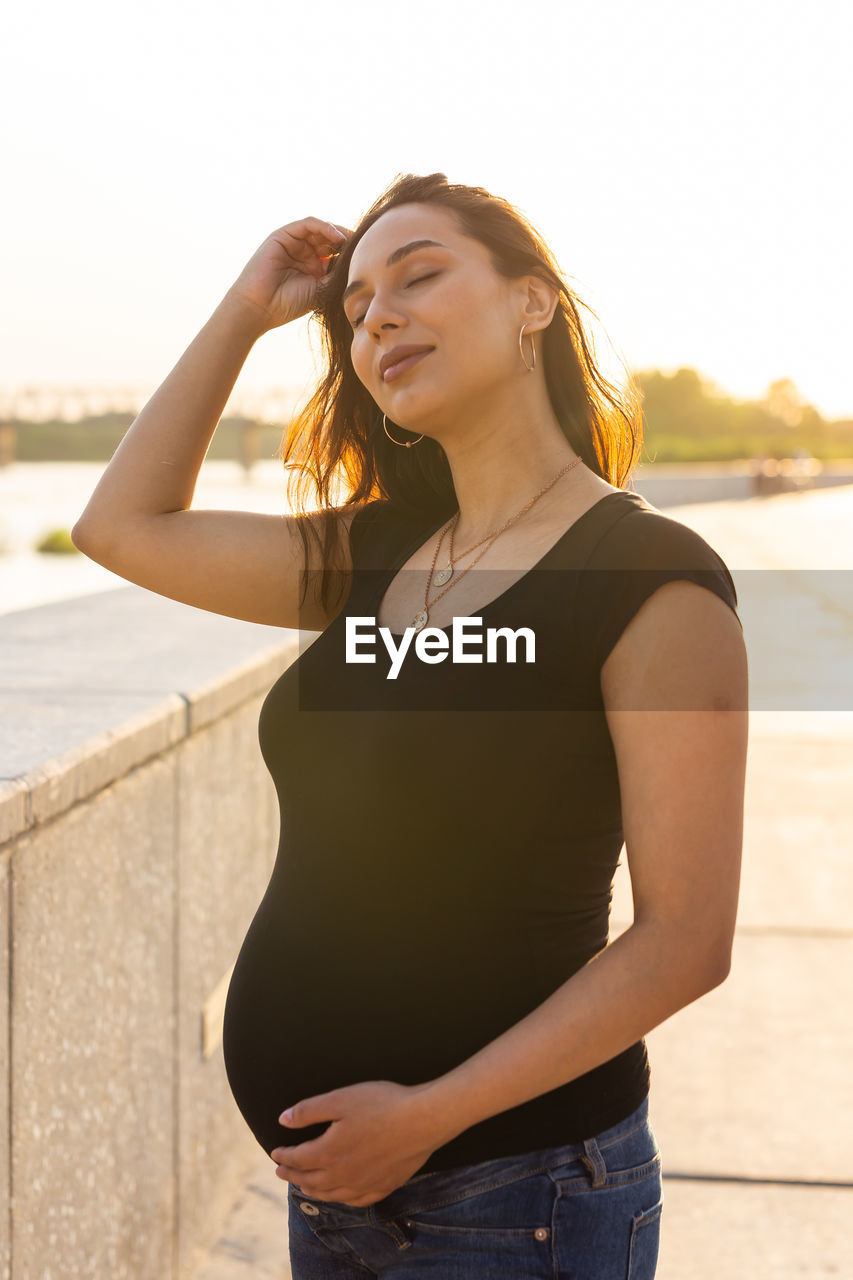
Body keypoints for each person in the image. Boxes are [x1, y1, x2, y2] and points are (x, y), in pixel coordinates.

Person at [73, 172, 748, 1279]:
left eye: (421, 275)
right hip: (338, 1193)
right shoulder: (374, 553)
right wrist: (249, 305)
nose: (377, 314)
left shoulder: (647, 578)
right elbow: (122, 525)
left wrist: (429, 1113)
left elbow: (685, 940)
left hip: (516, 1192)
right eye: (355, 307)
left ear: (533, 303)